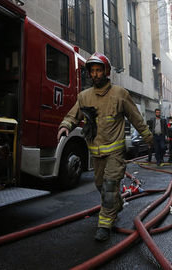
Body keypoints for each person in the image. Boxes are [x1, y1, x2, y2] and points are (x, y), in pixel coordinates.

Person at [57, 52, 153, 241]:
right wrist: (65, 126)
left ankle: (105, 224)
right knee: (101, 185)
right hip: (97, 153)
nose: (95, 74)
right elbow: (72, 116)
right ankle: (115, 205)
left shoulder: (119, 94)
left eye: (99, 70)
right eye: (92, 71)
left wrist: (148, 137)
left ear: (106, 72)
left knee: (109, 186)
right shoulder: (84, 97)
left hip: (115, 153)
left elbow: (135, 117)